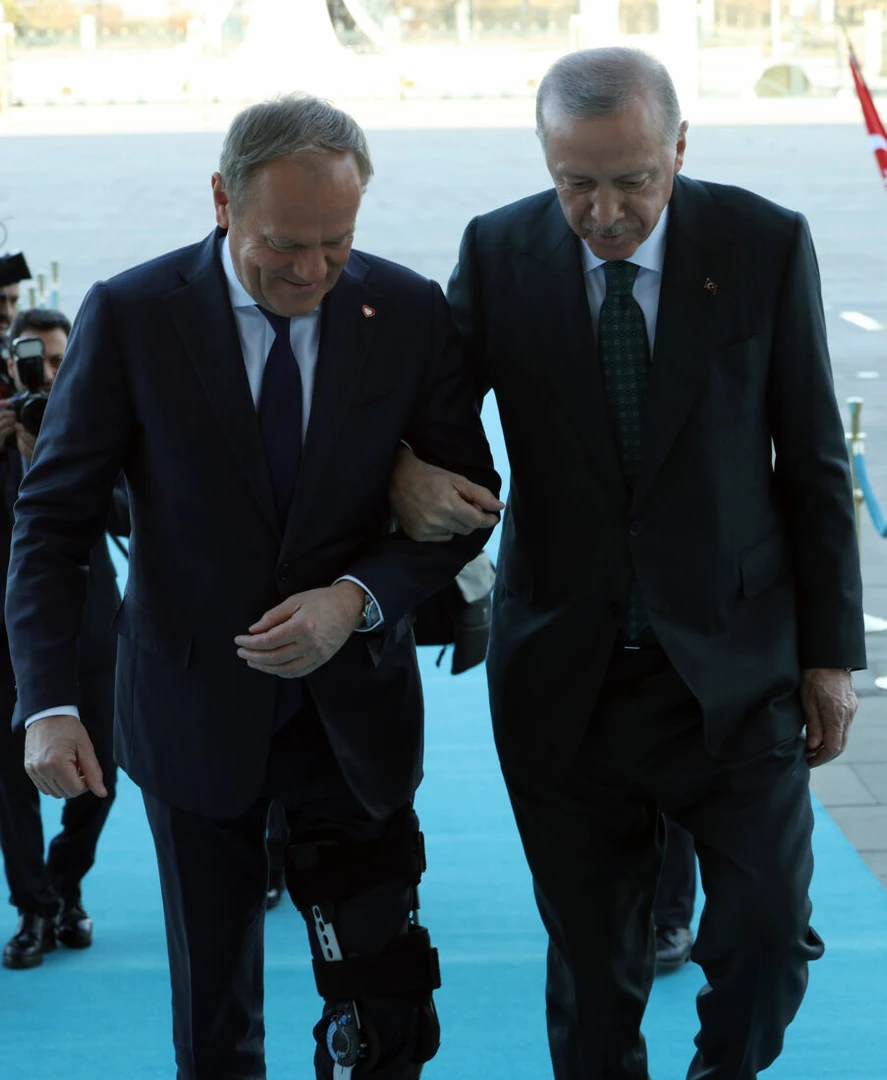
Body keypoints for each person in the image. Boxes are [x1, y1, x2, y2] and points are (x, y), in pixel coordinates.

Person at [388, 47, 864, 1080]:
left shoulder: (761, 244)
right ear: (545, 161)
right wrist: (401, 471)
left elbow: (816, 463)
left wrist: (829, 659)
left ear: (677, 149)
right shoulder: (498, 251)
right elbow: (423, 408)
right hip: (566, 676)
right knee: (596, 977)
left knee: (770, 940)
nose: (603, 212)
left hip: (733, 671)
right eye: (576, 184)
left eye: (631, 180)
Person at [5, 95, 497, 1079]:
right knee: (217, 1023)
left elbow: (462, 510)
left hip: (352, 717)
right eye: (283, 243)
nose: (311, 270)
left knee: (388, 1009)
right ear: (223, 200)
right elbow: (53, 520)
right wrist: (50, 703)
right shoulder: (134, 315)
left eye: (336, 242)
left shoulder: (402, 312)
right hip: (192, 716)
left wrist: (353, 595)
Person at [0, 307, 127, 968]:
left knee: (103, 770)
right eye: (36, 363)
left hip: (92, 629)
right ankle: (35, 908)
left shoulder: (97, 427)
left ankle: (65, 881)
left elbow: (134, 518)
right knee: (8, 782)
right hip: (7, 638)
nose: (47, 376)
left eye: (58, 361)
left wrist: (63, 454)